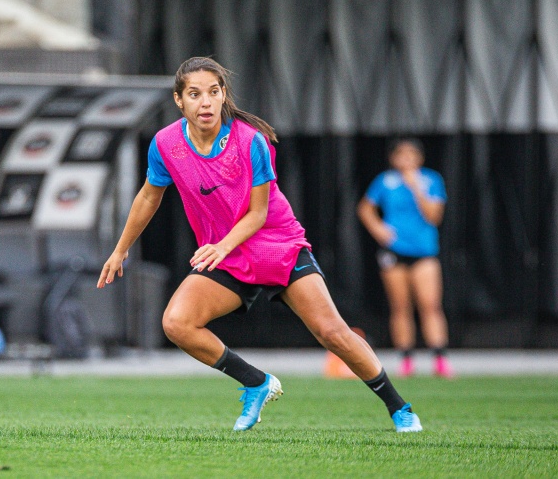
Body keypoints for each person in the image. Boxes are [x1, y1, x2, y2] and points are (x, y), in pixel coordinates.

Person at [97, 57, 422, 433]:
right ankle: (256, 382)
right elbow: (148, 197)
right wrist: (120, 249)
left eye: (213, 93)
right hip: (228, 255)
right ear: (178, 101)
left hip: (277, 246)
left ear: (223, 96)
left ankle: (401, 409)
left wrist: (220, 245)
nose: (205, 102)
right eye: (195, 94)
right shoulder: (166, 144)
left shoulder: (251, 141)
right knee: (177, 323)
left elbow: (258, 213)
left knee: (333, 333)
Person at [357, 138, 451, 378]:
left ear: (419, 158)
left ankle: (439, 358)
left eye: (411, 155)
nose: (406, 160)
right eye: (401, 155)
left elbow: (434, 216)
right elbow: (365, 208)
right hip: (394, 251)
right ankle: (406, 358)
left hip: (423, 251)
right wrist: (379, 229)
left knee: (430, 304)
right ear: (394, 158)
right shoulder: (385, 181)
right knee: (400, 306)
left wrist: (416, 188)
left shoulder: (431, 180)